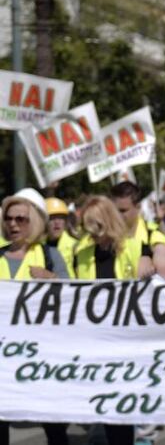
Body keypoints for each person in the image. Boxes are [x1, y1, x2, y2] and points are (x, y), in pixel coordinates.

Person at [0, 188, 71, 445]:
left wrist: (52, 279)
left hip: (40, 354)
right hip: (3, 356)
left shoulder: (50, 257)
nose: (13, 224)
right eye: (9, 218)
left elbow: (74, 297)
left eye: (21, 219)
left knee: (52, 424)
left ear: (35, 222)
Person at [110, 182, 165, 279]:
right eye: (113, 210)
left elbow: (164, 288)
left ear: (138, 207)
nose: (117, 215)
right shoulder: (106, 239)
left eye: (123, 211)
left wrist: (148, 278)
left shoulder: (155, 240)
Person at [45, 197, 78, 278]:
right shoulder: (39, 246)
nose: (57, 222)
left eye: (60, 218)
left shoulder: (75, 246)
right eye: (52, 218)